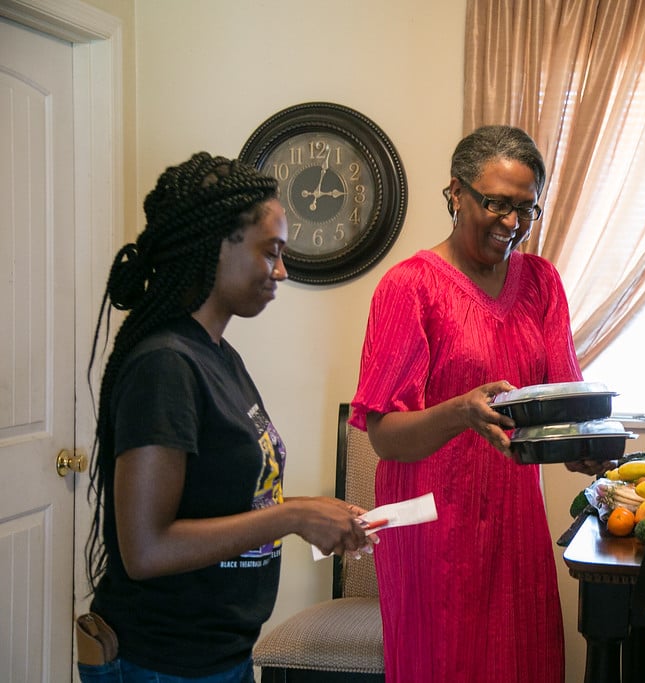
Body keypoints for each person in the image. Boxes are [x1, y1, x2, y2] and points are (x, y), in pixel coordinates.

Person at [80, 152, 371, 683]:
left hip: (216, 654)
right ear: (217, 243)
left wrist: (312, 514)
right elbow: (146, 548)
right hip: (162, 662)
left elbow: (228, 498)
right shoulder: (165, 364)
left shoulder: (217, 355)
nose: (282, 270)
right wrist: (294, 516)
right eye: (272, 252)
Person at [350, 125, 604, 682]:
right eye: (496, 203)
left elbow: (562, 400)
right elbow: (385, 435)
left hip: (515, 522)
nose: (512, 224)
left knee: (522, 663)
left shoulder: (541, 283)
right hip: (429, 526)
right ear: (456, 192)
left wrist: (586, 447)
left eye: (526, 209)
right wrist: (459, 412)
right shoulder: (409, 287)